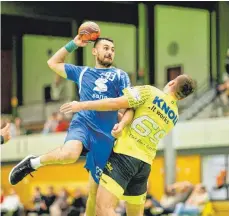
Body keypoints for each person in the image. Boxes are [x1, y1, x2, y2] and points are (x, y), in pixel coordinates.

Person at [8, 34, 131, 216]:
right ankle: (32, 162)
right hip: (83, 124)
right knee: (69, 154)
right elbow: (53, 63)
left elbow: (130, 106)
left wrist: (122, 125)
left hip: (106, 136)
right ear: (94, 51)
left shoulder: (120, 75)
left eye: (112, 50)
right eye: (105, 48)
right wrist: (74, 44)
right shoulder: (83, 72)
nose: (110, 52)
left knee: (94, 194)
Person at [60, 74, 196, 216]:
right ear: (183, 97)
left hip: (124, 157)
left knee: (103, 208)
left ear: (172, 82)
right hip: (144, 165)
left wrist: (81, 105)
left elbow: (116, 103)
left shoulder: (150, 92)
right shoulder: (174, 116)